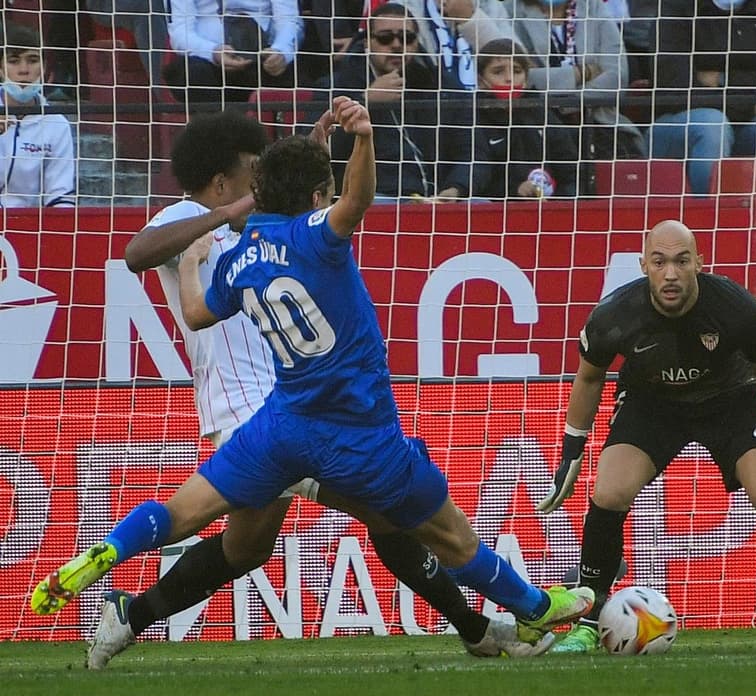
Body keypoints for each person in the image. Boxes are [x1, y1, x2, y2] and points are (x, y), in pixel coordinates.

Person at [30, 97, 594, 654]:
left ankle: (120, 583)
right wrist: (364, 140)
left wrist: (210, 254)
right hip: (322, 421)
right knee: (418, 526)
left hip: (279, 420)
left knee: (232, 541)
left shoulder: (239, 256)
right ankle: (519, 615)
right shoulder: (239, 225)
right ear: (224, 182)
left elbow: (203, 305)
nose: (256, 184)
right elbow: (346, 202)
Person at [539, 219, 756, 653]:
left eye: (681, 261)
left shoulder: (736, 309)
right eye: (659, 262)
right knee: (608, 492)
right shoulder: (614, 316)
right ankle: (589, 620)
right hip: (651, 404)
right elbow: (589, 378)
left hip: (731, 399)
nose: (670, 273)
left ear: (699, 263)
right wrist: (571, 452)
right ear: (643, 266)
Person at [648, 0, 756, 195]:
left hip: (745, 123)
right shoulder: (675, 7)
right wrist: (750, 106)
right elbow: (677, 89)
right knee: (713, 124)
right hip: (678, 124)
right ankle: (706, 216)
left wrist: (722, 79)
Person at [435, 39, 580, 199]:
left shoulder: (542, 113)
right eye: (498, 72)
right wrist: (458, 188)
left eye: (516, 71)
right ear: (481, 80)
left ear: (525, 79)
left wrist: (560, 202)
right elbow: (476, 164)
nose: (509, 79)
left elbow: (570, 168)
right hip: (494, 208)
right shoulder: (471, 115)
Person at [326, 3, 444, 200]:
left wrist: (457, 187)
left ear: (417, 43)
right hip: (369, 198)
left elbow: (469, 146)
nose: (397, 45)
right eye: (385, 38)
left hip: (436, 196)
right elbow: (320, 151)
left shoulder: (438, 82)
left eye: (407, 38)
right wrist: (366, 102)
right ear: (366, 43)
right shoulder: (337, 84)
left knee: (479, 203)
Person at [509, 0, 647, 160]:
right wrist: (581, 73)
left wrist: (565, 99)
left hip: (599, 121)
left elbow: (616, 78)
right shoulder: (512, 12)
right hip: (539, 126)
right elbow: (522, 78)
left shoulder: (593, 7)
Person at [163, 0, 302, 103]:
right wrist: (213, 52)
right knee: (191, 75)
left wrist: (282, 52)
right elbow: (180, 32)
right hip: (206, 60)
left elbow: (289, 20)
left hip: (262, 56)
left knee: (296, 76)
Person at [0, 24, 75, 209]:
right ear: (1, 69)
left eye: (32, 60)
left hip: (30, 226)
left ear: (44, 68)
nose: (24, 70)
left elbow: (61, 195)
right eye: (14, 61)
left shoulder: (57, 124)